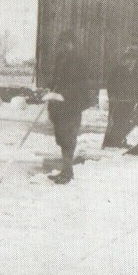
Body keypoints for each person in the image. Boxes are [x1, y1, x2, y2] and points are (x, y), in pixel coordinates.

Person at [42, 30, 93, 184]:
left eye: (67, 43)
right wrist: (49, 89)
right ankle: (65, 170)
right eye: (62, 43)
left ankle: (68, 172)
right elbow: (57, 80)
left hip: (72, 105)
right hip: (59, 106)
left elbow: (79, 85)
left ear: (72, 44)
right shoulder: (61, 58)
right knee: (62, 138)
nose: (64, 46)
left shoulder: (79, 61)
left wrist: (61, 95)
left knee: (68, 138)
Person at [102, 47, 138, 148]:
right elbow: (110, 84)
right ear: (124, 59)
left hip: (130, 100)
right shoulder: (117, 70)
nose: (130, 61)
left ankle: (119, 140)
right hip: (118, 100)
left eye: (133, 59)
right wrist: (112, 96)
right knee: (115, 121)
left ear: (137, 60)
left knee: (125, 121)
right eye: (128, 58)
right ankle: (109, 142)